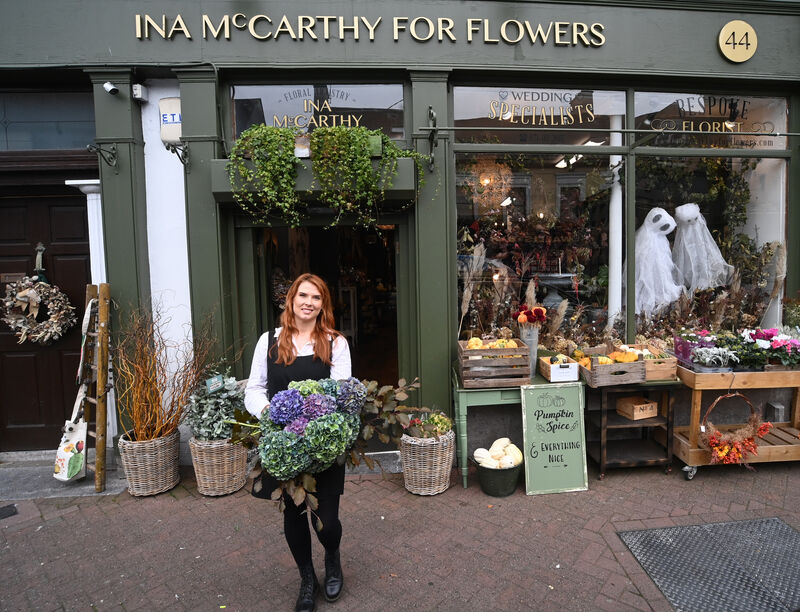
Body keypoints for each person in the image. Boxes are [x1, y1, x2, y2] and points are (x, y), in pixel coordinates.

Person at [245, 273, 352, 612]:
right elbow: (254, 389)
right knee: (293, 513)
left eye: (316, 297)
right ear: (290, 300)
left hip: (323, 446)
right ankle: (307, 579)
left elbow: (341, 393)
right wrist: (272, 414)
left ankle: (331, 557)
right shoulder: (269, 341)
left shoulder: (335, 342)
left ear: (324, 305)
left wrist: (315, 426)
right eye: (303, 295)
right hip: (283, 445)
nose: (309, 302)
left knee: (328, 521)